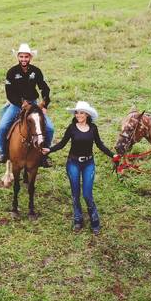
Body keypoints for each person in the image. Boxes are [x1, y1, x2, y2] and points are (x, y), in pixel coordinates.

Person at [43, 100, 116, 234]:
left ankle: (95, 221)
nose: (78, 115)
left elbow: (100, 145)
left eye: (81, 113)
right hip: (73, 163)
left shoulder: (93, 128)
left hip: (88, 163)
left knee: (87, 194)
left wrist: (113, 155)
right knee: (75, 194)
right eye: (77, 113)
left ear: (87, 114)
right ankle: (78, 220)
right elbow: (62, 144)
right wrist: (49, 150)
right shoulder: (72, 128)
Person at [0, 43, 54, 167]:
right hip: (16, 104)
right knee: (2, 126)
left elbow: (44, 88)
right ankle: (2, 152)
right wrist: (21, 103)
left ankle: (45, 153)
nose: (24, 59)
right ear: (18, 57)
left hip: (33, 103)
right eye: (21, 56)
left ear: (30, 57)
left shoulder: (36, 71)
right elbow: (9, 93)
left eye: (26, 57)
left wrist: (44, 104)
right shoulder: (12, 72)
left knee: (49, 128)